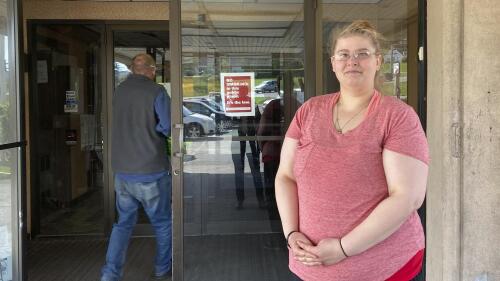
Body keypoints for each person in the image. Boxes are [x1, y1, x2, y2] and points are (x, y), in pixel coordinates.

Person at [275, 20, 429, 281]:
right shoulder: (309, 111)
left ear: (378, 61)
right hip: (310, 266)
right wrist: (291, 233)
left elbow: (407, 197)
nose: (352, 61)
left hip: (382, 268)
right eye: (344, 54)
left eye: (363, 54)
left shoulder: (397, 117)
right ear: (333, 63)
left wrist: (344, 249)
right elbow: (285, 176)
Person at [101, 53, 172, 281]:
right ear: (151, 69)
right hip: (150, 169)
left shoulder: (118, 91)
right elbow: (169, 126)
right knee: (162, 223)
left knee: (123, 224)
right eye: (155, 70)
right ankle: (162, 270)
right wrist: (155, 130)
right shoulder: (156, 91)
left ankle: (110, 274)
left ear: (133, 69)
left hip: (122, 172)